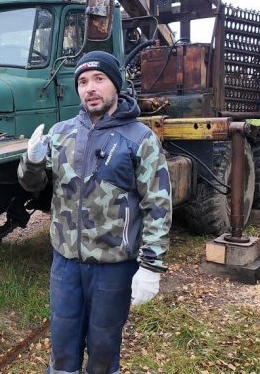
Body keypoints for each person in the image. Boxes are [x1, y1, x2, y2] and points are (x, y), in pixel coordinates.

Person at [17, 50, 172, 374]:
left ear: (116, 84)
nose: (90, 88)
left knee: (103, 348)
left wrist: (151, 266)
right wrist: (31, 162)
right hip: (65, 263)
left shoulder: (139, 139)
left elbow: (157, 204)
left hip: (113, 266)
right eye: (83, 81)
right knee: (62, 346)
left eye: (99, 79)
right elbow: (33, 186)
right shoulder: (61, 133)